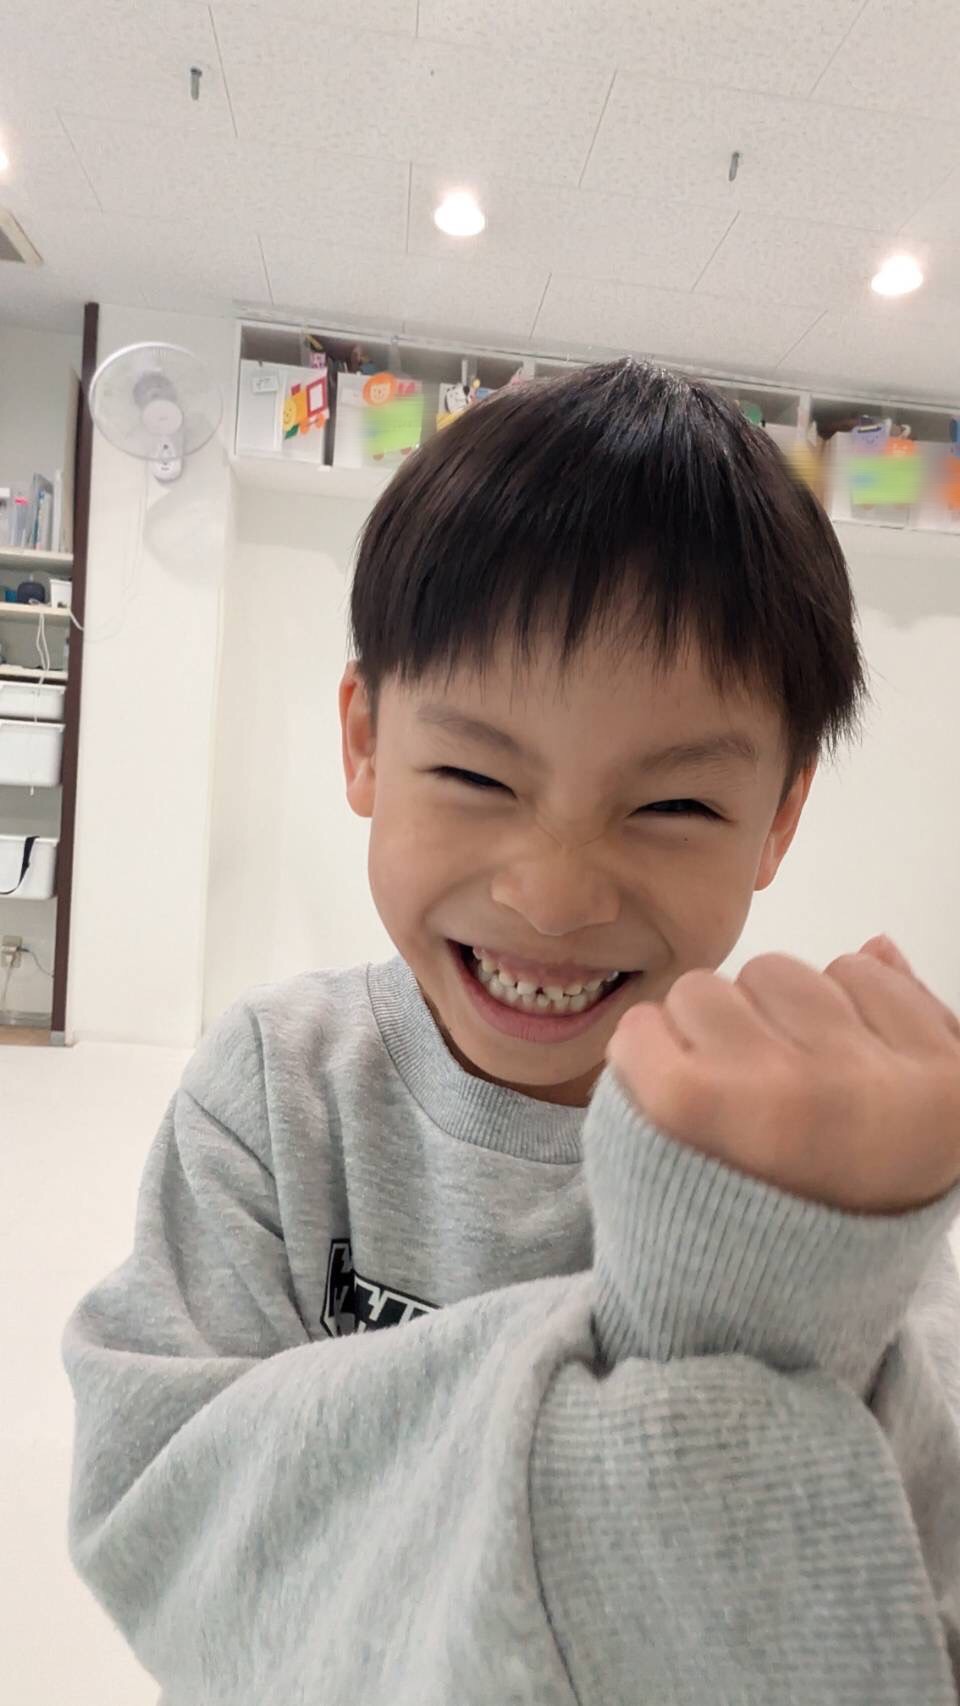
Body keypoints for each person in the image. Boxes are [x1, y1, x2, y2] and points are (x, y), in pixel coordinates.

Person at [62, 359, 960, 1704]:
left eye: (673, 808)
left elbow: (907, 1600)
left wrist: (811, 1256)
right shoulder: (278, 1091)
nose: (553, 894)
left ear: (778, 818)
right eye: (478, 775)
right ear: (365, 743)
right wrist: (711, 1346)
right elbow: (160, 1512)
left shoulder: (812, 1165)